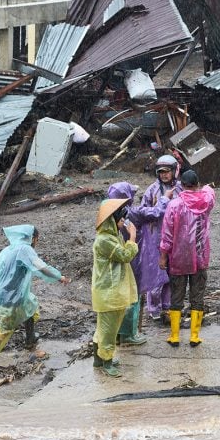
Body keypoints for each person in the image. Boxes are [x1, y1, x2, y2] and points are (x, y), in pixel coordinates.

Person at [0, 225, 69, 364]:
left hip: (10, 294)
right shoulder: (25, 249)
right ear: (32, 238)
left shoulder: (7, 249)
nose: (36, 242)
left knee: (31, 307)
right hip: (13, 297)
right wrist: (59, 277)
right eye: (37, 239)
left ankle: (30, 340)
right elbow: (41, 267)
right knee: (4, 329)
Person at [107, 181, 173, 345]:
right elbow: (157, 212)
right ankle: (129, 334)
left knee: (118, 297)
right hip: (134, 259)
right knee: (133, 297)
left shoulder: (107, 215)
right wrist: (164, 198)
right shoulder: (133, 213)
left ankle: (116, 333)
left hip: (113, 261)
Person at [159, 170, 215, 347]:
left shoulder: (174, 205)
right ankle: (194, 336)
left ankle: (175, 336)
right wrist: (205, 187)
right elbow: (209, 191)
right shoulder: (206, 200)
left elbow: (166, 234)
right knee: (197, 295)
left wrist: (163, 257)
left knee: (177, 295)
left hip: (179, 257)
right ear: (197, 183)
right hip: (200, 257)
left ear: (181, 185)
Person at [92, 198, 139, 377]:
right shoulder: (105, 241)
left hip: (110, 292)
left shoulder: (111, 237)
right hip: (109, 293)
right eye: (120, 220)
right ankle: (107, 362)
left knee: (104, 328)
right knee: (109, 330)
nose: (122, 223)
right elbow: (126, 255)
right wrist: (132, 237)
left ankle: (99, 359)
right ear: (112, 220)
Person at [140, 154, 182, 322]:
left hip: (176, 238)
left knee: (171, 274)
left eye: (167, 171)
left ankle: (167, 305)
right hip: (156, 236)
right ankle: (154, 308)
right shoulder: (152, 190)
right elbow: (144, 210)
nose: (164, 175)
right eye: (161, 172)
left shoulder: (181, 189)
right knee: (156, 274)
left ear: (174, 171)